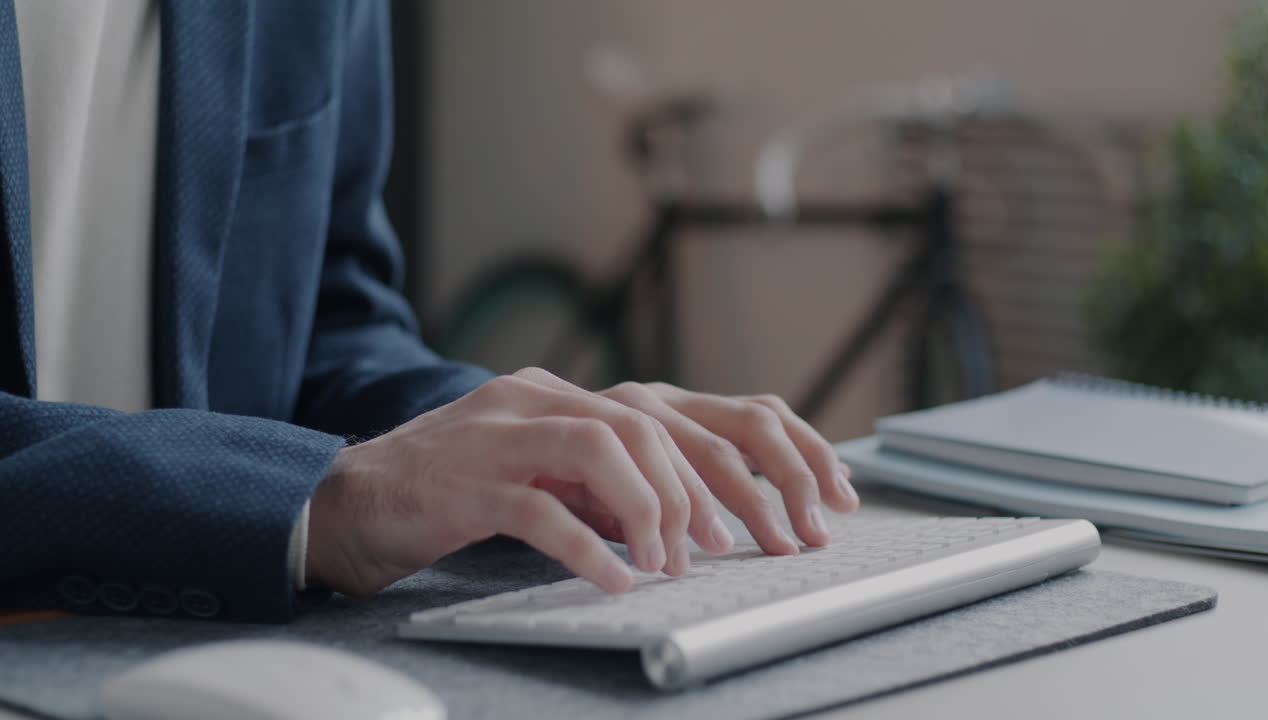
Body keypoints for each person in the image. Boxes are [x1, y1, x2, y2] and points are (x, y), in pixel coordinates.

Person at [0, 0, 858, 623]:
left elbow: (331, 323)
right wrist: (311, 500)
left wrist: (535, 445)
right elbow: (328, 482)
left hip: (205, 644)